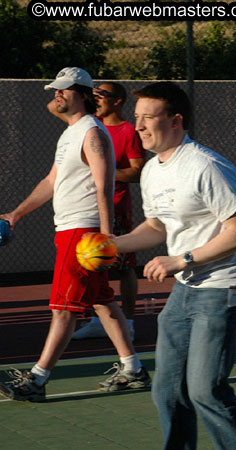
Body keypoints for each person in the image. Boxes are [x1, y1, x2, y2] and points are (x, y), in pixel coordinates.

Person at [113, 81, 236, 449]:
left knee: (205, 391)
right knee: (167, 390)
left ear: (176, 120)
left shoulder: (206, 165)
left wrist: (182, 259)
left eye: (149, 118)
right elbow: (156, 226)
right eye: (136, 118)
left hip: (226, 287)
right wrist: (112, 244)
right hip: (187, 290)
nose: (139, 126)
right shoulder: (151, 170)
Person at [0, 67, 150, 403]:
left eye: (64, 90)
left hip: (83, 231)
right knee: (103, 301)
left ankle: (37, 379)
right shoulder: (71, 132)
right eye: (56, 89)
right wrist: (16, 214)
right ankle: (133, 368)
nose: (57, 95)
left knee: (63, 309)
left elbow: (105, 185)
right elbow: (51, 182)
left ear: (83, 94)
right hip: (69, 227)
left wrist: (107, 236)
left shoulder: (93, 134)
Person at [48, 82, 146, 340]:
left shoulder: (126, 131)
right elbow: (54, 106)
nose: (98, 98)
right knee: (99, 283)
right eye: (94, 94)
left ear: (118, 102)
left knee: (123, 266)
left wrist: (100, 170)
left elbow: (137, 170)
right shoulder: (84, 127)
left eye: (103, 95)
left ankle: (131, 321)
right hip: (90, 210)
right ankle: (98, 324)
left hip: (115, 208)